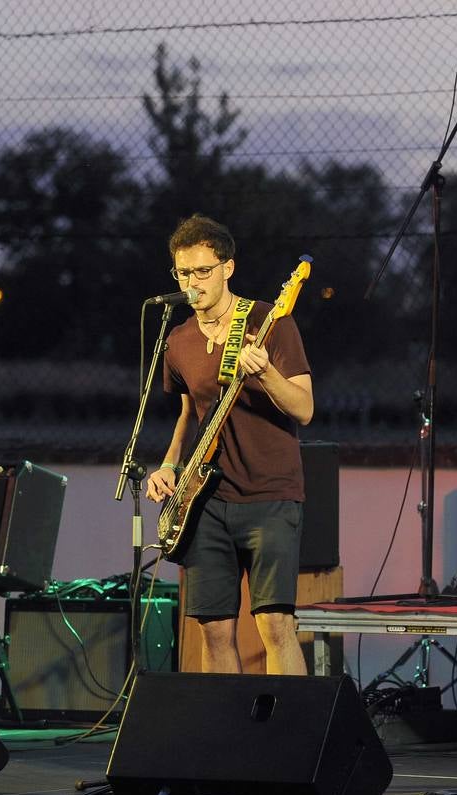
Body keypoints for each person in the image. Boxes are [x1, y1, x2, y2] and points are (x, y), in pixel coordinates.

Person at [145, 214, 312, 675]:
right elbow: (188, 414)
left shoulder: (270, 320)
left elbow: (304, 408)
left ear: (227, 268)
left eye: (202, 271)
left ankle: (288, 737)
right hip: (205, 501)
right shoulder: (177, 340)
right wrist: (168, 466)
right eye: (183, 273)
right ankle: (230, 738)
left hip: (270, 495)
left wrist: (266, 374)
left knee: (276, 625)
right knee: (214, 629)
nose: (193, 282)